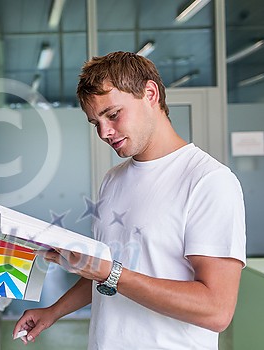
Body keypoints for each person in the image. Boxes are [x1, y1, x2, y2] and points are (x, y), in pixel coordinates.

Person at [13, 51, 246, 349]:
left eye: (112, 115)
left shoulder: (208, 181)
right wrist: (54, 312)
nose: (104, 132)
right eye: (95, 122)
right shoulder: (113, 179)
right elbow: (112, 271)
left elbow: (216, 310)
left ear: (150, 93)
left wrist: (111, 273)